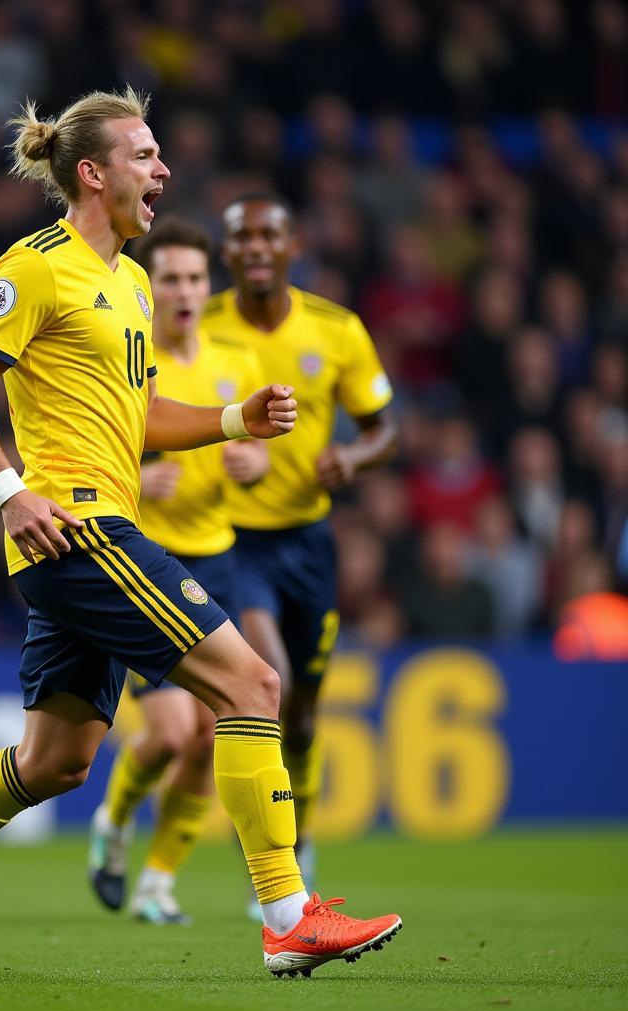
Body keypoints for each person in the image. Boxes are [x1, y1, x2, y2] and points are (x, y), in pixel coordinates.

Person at [0, 88, 400, 981]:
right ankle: (289, 914)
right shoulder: (37, 265)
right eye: (145, 154)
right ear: (92, 173)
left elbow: (137, 417)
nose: (163, 169)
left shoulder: (128, 282)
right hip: (78, 527)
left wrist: (235, 419)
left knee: (51, 764)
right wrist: (10, 493)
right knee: (251, 683)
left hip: (88, 527)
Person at [203, 195, 398, 894]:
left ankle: (301, 832)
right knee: (271, 684)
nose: (256, 247)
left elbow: (384, 428)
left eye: (269, 235)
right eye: (242, 237)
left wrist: (355, 459)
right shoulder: (200, 326)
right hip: (232, 541)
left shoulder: (337, 330)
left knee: (307, 715)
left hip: (308, 543)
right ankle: (274, 868)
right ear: (226, 254)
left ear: (294, 246)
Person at [86, 215, 266, 924]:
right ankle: (115, 820)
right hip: (141, 559)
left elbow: (256, 449)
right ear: (149, 288)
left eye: (196, 277)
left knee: (214, 726)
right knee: (168, 732)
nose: (186, 290)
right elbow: (95, 440)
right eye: (172, 279)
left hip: (216, 557)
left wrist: (255, 463)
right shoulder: (127, 358)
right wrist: (140, 472)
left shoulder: (234, 360)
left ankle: (159, 881)